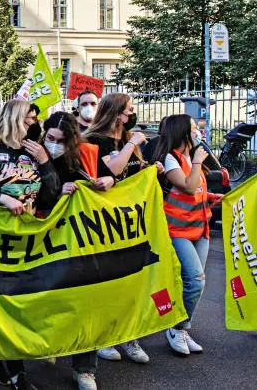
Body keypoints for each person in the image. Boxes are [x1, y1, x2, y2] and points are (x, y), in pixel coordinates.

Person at [0, 99, 56, 390]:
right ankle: (13, 371)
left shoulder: (34, 152)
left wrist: (45, 162)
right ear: (15, 119)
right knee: (2, 306)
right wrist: (2, 199)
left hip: (28, 243)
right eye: (30, 119)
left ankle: (3, 360)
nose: (35, 124)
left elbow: (48, 197)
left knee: (22, 305)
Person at [83, 93, 149, 364]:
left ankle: (129, 336)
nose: (132, 113)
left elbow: (133, 174)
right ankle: (103, 337)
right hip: (104, 221)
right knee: (105, 281)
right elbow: (111, 172)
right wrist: (132, 143)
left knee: (131, 282)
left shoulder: (128, 140)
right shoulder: (93, 140)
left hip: (131, 221)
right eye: (128, 109)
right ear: (114, 112)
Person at [41, 111, 101, 390]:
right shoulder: (34, 154)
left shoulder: (84, 155)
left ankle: (85, 369)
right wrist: (46, 169)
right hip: (44, 239)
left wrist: (107, 182)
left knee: (84, 303)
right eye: (50, 138)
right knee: (50, 298)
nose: (54, 145)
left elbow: (109, 178)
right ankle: (52, 342)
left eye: (61, 141)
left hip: (78, 239)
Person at [152, 114, 219, 357]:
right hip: (177, 230)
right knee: (195, 279)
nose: (197, 131)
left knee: (194, 284)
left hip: (200, 229)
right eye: (192, 128)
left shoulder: (191, 158)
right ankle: (178, 327)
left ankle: (179, 326)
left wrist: (211, 198)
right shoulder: (171, 159)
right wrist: (199, 161)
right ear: (182, 131)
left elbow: (196, 191)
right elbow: (187, 186)